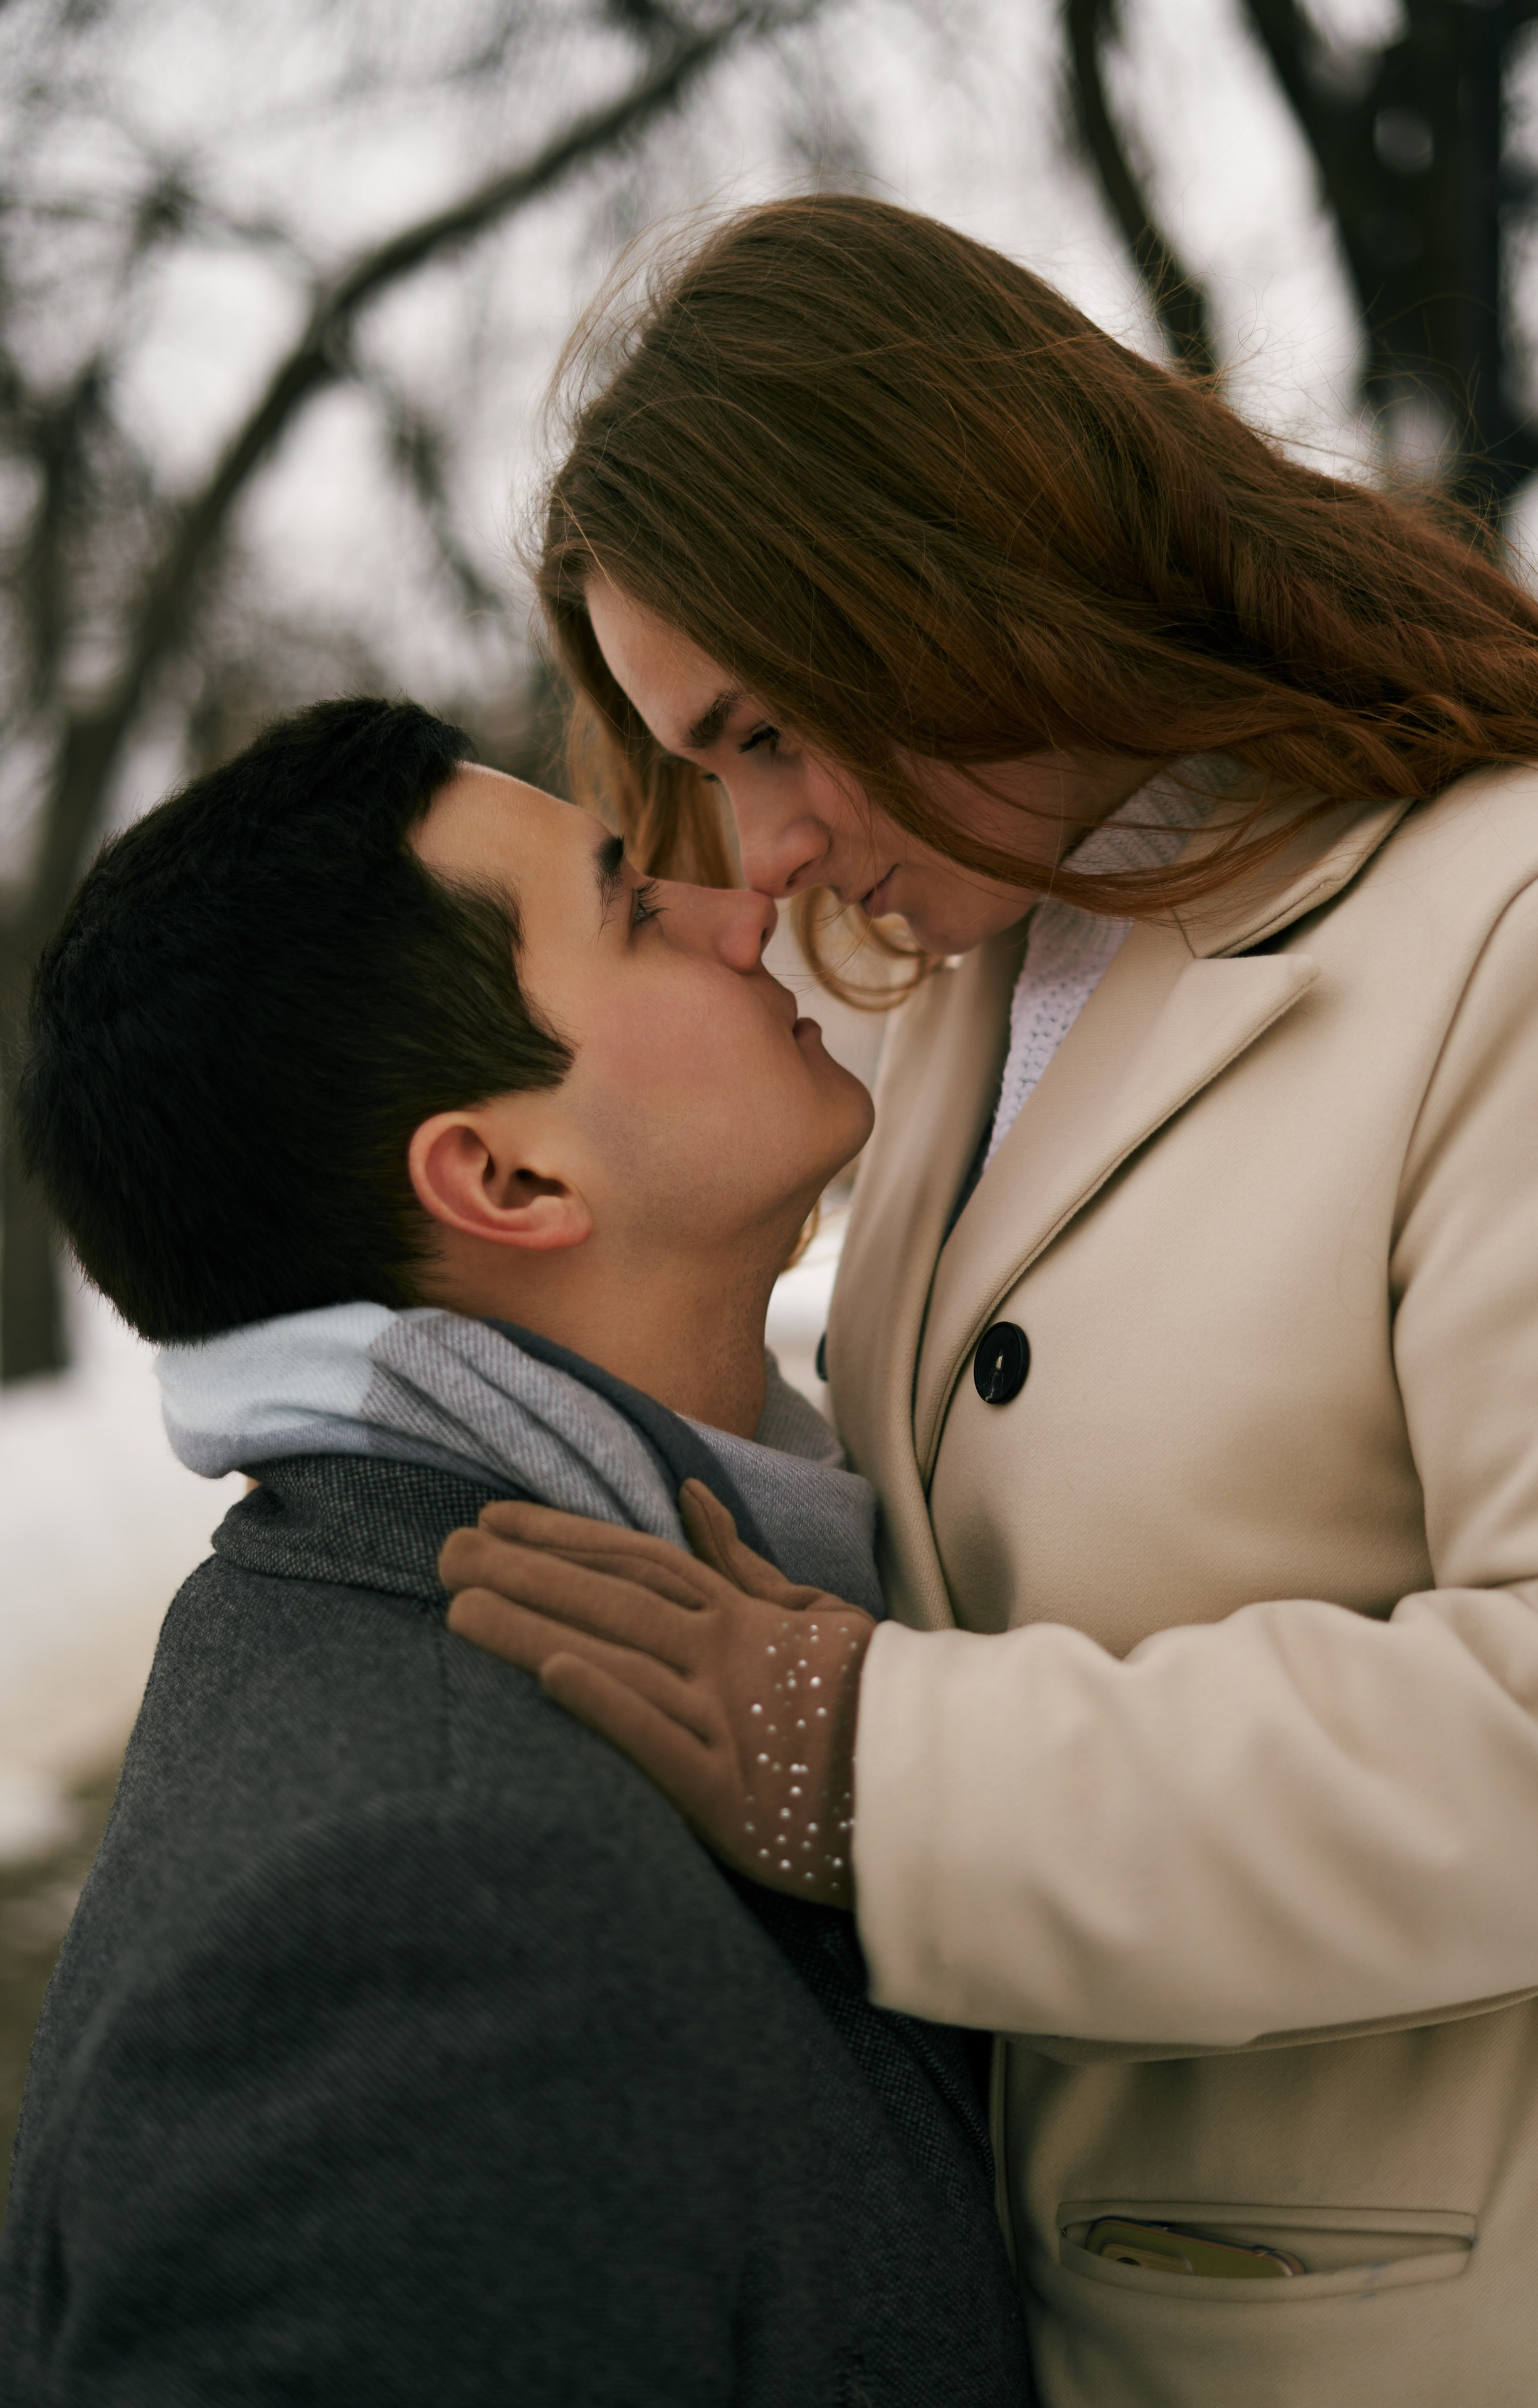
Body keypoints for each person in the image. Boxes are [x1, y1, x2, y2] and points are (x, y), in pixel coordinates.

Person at [437, 196, 1538, 2408]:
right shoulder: (969, 994)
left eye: (771, 726)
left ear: (954, 569)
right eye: (710, 763)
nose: (756, 844)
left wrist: (882, 1774)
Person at [0, 697, 1035, 2407]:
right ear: (505, 1175)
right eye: (636, 909)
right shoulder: (417, 1903)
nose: (740, 907)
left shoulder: (516, 1630)